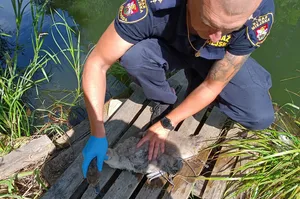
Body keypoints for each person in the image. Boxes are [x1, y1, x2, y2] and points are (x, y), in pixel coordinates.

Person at [81, 0, 275, 178]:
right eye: (209, 22)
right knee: (134, 57)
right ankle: (163, 99)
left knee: (259, 117)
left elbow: (213, 84)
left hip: (218, 59)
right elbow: (97, 63)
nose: (216, 37)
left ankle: (198, 80)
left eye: (230, 29)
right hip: (170, 47)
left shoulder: (258, 14)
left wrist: (165, 124)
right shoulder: (146, 6)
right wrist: (97, 133)